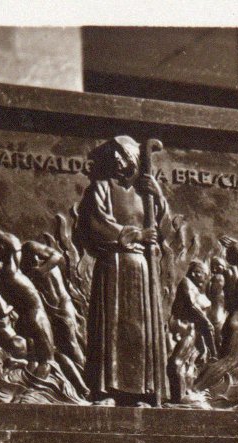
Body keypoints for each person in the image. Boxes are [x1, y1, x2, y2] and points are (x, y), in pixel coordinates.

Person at [74, 135, 169, 405]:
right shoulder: (101, 188)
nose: (117, 160)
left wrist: (159, 197)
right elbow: (96, 224)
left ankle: (143, 392)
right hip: (113, 265)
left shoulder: (146, 193)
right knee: (111, 329)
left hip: (142, 267)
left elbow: (163, 231)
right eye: (113, 155)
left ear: (133, 158)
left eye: (122, 155)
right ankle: (106, 391)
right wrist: (136, 234)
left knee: (142, 332)